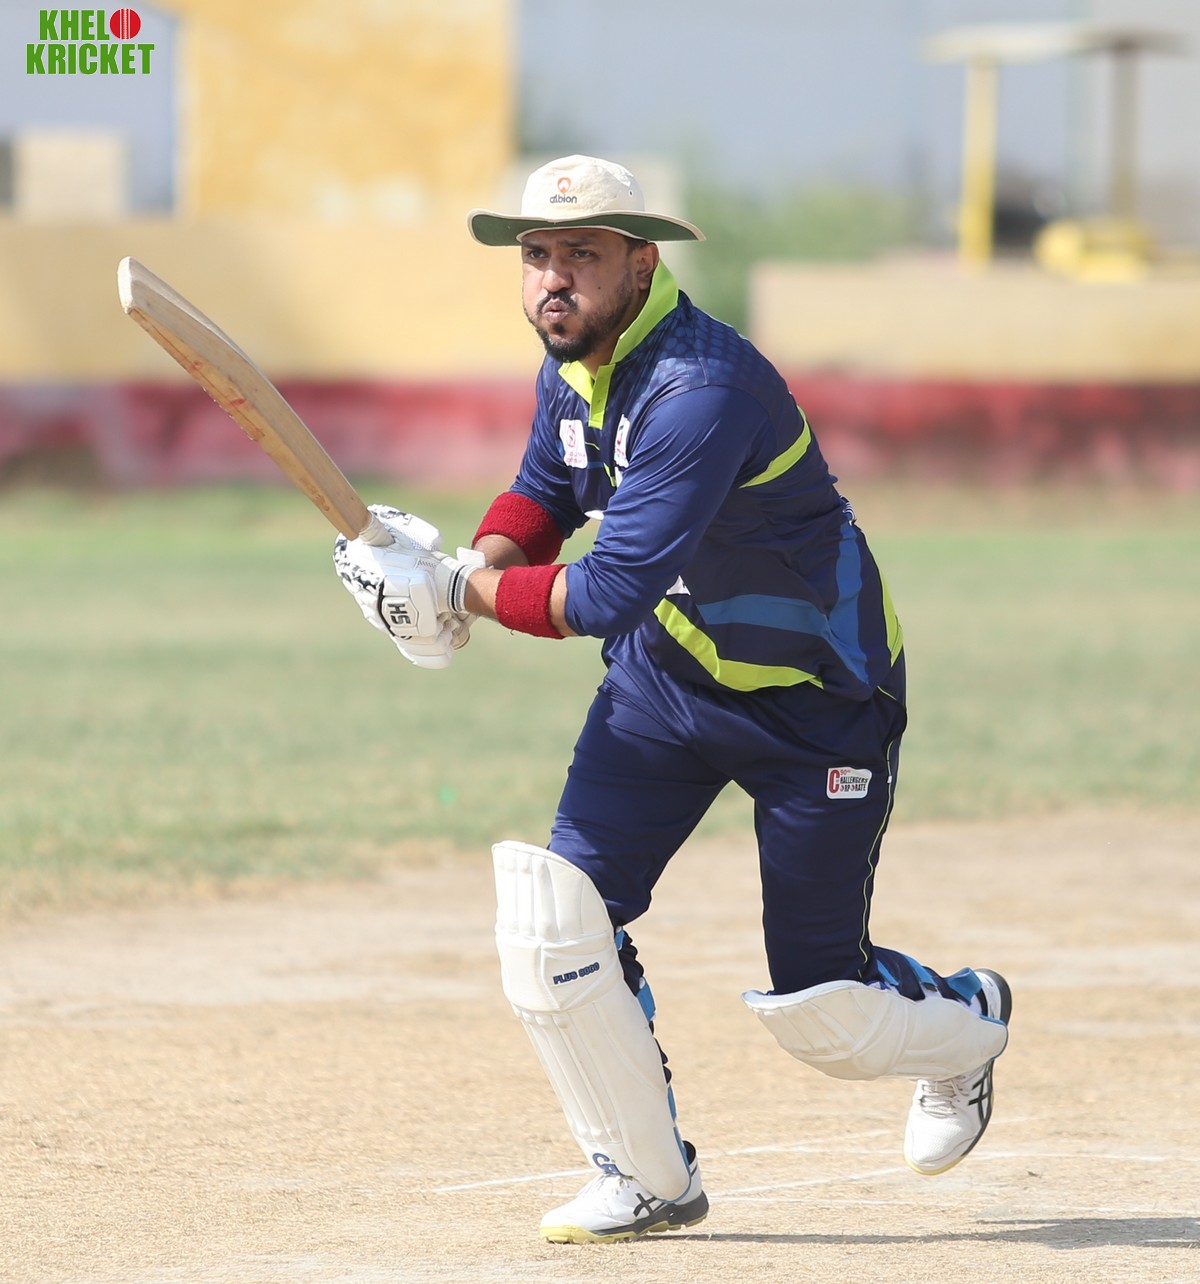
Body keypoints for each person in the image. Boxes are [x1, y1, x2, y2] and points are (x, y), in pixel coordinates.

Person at [333, 155, 1012, 1245]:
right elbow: (545, 490)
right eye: (537, 255)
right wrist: (474, 564)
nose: (553, 278)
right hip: (670, 681)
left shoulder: (702, 390)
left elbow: (605, 592)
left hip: (818, 700)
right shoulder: (576, 361)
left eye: (583, 254)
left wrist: (455, 591)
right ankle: (647, 1175)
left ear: (642, 264)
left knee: (827, 1015)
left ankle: (969, 1024)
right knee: (559, 922)